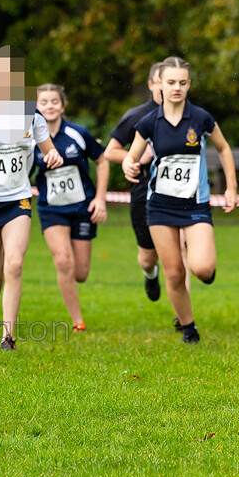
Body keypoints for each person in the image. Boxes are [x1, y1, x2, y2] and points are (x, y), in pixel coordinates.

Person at [123, 56, 238, 344]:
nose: (176, 88)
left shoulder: (200, 118)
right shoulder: (149, 122)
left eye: (182, 83)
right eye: (171, 82)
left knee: (201, 268)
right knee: (174, 273)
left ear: (189, 85)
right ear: (159, 84)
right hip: (160, 207)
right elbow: (130, 156)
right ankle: (189, 327)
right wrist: (129, 165)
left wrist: (231, 188)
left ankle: (206, 270)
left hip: (195, 205)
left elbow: (223, 149)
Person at [0, 47, 63, 350]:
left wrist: (53, 156)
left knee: (14, 265)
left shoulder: (32, 115)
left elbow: (48, 150)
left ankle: (9, 336)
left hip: (17, 201)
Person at [35, 84, 109, 332]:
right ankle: (78, 321)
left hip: (81, 208)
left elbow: (103, 161)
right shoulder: (30, 137)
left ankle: (77, 313)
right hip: (51, 209)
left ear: (63, 105)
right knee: (63, 262)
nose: (49, 106)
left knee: (80, 272)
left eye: (54, 101)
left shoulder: (78, 133)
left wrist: (100, 199)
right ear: (36, 107)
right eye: (44, 102)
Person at [104, 63, 164, 302]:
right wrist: (135, 157)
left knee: (179, 254)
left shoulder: (187, 116)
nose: (166, 86)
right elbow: (111, 152)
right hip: (143, 193)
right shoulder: (137, 115)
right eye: (161, 80)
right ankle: (150, 274)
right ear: (151, 85)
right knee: (148, 258)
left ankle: (185, 318)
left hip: (177, 195)